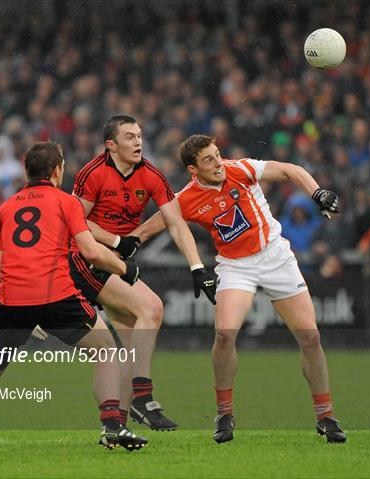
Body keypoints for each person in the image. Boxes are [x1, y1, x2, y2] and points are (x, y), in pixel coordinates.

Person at [0, 142, 147, 456]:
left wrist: (25, 315)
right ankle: (112, 426)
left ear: (26, 171)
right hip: (56, 296)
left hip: (12, 302)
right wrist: (126, 269)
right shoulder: (65, 202)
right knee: (106, 350)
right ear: (58, 170)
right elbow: (90, 251)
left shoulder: (5, 209)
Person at [131, 135, 347, 444]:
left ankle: (325, 416)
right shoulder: (188, 197)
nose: (218, 163)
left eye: (218, 155)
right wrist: (127, 243)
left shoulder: (241, 169)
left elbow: (290, 170)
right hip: (236, 266)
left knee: (310, 336)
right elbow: (158, 222)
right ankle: (224, 413)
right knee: (225, 333)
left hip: (275, 256)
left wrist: (317, 191)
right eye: (208, 159)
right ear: (193, 169)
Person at [67, 115, 216, 430]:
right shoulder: (92, 173)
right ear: (111, 145)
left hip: (114, 264)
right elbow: (75, 220)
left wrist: (197, 266)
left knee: (133, 344)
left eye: (139, 136)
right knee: (152, 307)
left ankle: (118, 425)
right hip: (85, 258)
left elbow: (175, 221)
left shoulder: (150, 175)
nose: (138, 142)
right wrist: (116, 240)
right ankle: (143, 398)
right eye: (130, 137)